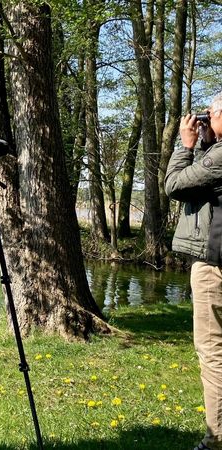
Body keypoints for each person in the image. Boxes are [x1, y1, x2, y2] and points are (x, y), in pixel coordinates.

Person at [165, 92, 222, 450]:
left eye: (212, 113)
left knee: (213, 352)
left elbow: (175, 185)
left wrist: (186, 146)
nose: (206, 118)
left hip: (215, 266)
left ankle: (216, 439)